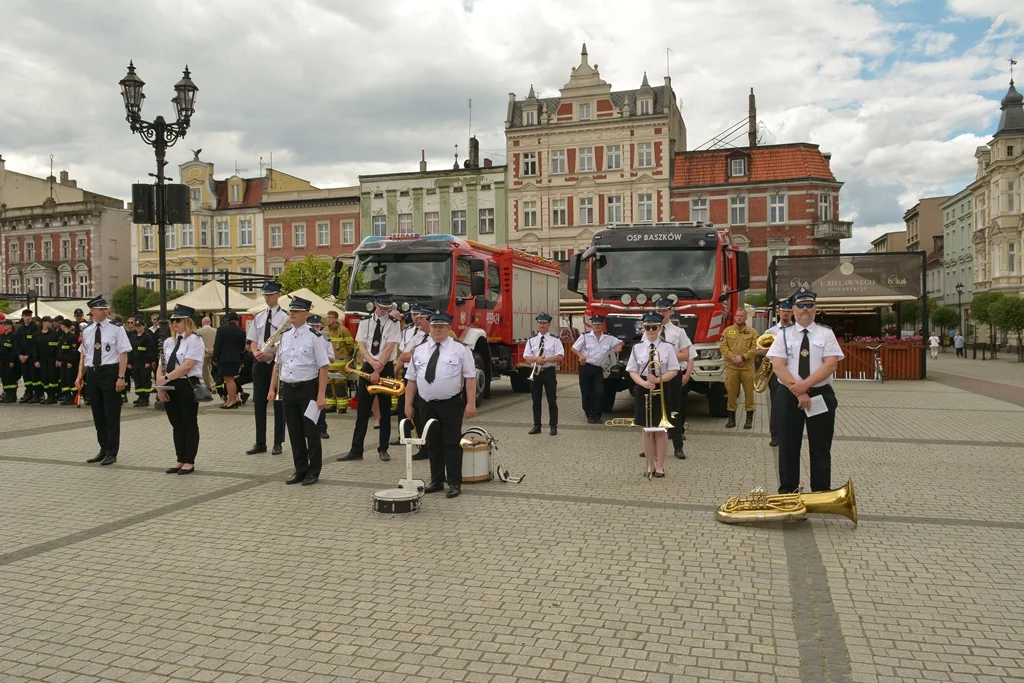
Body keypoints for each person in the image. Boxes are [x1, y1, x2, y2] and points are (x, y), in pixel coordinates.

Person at [767, 288, 844, 494]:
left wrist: (806, 386)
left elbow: (830, 365)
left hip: (820, 395)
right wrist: (799, 390)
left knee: (820, 447)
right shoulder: (782, 335)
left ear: (816, 309)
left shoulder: (826, 333)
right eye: (800, 305)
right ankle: (788, 493)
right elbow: (778, 366)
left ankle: (820, 494)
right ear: (793, 309)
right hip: (789, 396)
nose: (805, 309)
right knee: (788, 446)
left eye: (809, 305)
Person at [404, 312, 477, 499]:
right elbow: (411, 380)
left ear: (448, 329)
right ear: (429, 328)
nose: (437, 330)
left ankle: (454, 482)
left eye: (441, 327)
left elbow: (470, 378)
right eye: (434, 327)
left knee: (451, 444)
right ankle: (436, 481)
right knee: (432, 444)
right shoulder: (419, 350)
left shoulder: (460, 349)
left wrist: (470, 403)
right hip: (426, 404)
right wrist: (408, 405)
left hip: (450, 404)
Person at [268, 297, 329, 486]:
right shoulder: (285, 336)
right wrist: (273, 388)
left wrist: (321, 395)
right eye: (291, 311)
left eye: (296, 311)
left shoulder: (315, 337)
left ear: (306, 314)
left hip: (308, 389)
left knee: (310, 431)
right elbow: (278, 364)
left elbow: (324, 367)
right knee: (294, 431)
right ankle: (300, 469)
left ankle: (314, 470)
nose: (292, 314)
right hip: (289, 388)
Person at [338, 294, 402, 462]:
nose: (385, 311)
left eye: (388, 308)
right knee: (362, 411)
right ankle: (356, 450)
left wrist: (378, 367)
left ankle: (383, 449)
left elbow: (389, 349)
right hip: (369, 366)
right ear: (375, 304)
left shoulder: (394, 324)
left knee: (385, 409)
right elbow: (362, 346)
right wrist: (373, 366)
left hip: (385, 366)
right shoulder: (365, 321)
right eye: (382, 307)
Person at [76, 296, 132, 466]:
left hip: (110, 372)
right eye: (101, 309)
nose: (105, 311)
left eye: (106, 309)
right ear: (92, 311)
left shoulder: (116, 328)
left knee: (111, 413)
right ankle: (103, 448)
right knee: (98, 413)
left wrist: (121, 377)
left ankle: (112, 451)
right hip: (93, 373)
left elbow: (123, 353)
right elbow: (84, 355)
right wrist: (80, 376)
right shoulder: (87, 330)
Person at [626, 313, 680, 478]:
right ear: (643, 328)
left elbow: (674, 370)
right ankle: (649, 465)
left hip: (662, 387)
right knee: (646, 429)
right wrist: (643, 384)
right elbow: (632, 370)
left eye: (654, 327)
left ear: (660, 328)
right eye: (647, 327)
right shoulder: (637, 348)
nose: (650, 330)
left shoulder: (668, 347)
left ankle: (660, 467)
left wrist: (658, 379)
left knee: (661, 430)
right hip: (644, 388)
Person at [156, 305, 206, 474]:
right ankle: (180, 458)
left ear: (187, 321)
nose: (174, 323)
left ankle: (189, 460)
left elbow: (188, 365)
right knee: (176, 424)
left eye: (178, 320)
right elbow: (161, 365)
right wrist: (160, 387)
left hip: (186, 383)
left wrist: (167, 378)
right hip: (170, 384)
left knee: (189, 422)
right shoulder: (169, 341)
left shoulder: (195, 340)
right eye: (173, 320)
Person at [245, 281, 288, 455]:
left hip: (277, 363)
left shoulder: (285, 317)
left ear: (278, 295)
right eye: (265, 295)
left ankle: (278, 442)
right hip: (260, 362)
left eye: (270, 295)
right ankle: (260, 441)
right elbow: (253, 339)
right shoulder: (260, 316)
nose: (267, 298)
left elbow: (287, 342)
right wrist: (256, 352)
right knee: (259, 404)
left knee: (278, 403)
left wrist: (271, 355)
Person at [656, 300, 692, 457]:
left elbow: (686, 354)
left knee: (674, 411)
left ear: (670, 312)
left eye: (665, 311)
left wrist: (667, 354)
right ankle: (651, 446)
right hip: (655, 375)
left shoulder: (679, 332)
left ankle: (678, 446)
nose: (662, 313)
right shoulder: (650, 330)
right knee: (655, 411)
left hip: (673, 375)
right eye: (659, 311)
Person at [572, 315, 623, 424]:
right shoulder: (585, 337)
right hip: (585, 367)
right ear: (592, 325)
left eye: (599, 324)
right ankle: (589, 415)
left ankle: (597, 414)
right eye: (595, 324)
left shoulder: (608, 338)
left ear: (602, 325)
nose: (597, 326)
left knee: (599, 392)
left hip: (598, 369)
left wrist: (619, 346)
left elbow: (620, 342)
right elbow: (574, 348)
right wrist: (580, 356)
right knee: (586, 392)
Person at [757, 301, 794, 447]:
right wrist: (774, 350)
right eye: (783, 311)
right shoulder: (771, 331)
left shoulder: (797, 330)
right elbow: (759, 350)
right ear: (779, 312)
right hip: (775, 372)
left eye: (788, 311)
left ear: (792, 312)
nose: (786, 313)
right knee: (777, 404)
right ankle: (775, 435)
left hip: (792, 372)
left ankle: (789, 434)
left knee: (792, 405)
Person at [524, 313, 564, 435]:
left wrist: (545, 360)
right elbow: (526, 357)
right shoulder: (531, 340)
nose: (542, 325)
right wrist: (537, 359)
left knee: (552, 400)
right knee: (536, 401)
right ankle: (537, 425)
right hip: (535, 373)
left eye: (544, 323)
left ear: (549, 324)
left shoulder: (555, 340)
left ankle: (553, 426)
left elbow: (560, 356)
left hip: (549, 372)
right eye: (540, 323)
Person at [719, 308, 758, 429]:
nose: (739, 317)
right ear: (734, 317)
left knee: (749, 393)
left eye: (742, 316)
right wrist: (734, 358)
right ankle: (731, 419)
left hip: (747, 368)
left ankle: (749, 419)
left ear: (746, 318)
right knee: (731, 393)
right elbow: (723, 347)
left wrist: (743, 357)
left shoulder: (752, 332)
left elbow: (755, 347)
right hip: (732, 367)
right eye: (737, 316)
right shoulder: (727, 331)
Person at [214, 311, 248, 409]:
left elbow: (218, 345)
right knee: (230, 379)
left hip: (224, 358)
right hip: (236, 358)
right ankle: (230, 399)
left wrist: (215, 357)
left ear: (227, 319)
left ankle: (233, 400)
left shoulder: (221, 329)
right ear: (237, 320)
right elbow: (242, 348)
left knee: (228, 380)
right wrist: (241, 360)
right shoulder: (242, 331)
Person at [307, 314, 334, 438]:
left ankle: (322, 428)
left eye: (317, 326)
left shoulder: (325, 340)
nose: (315, 328)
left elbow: (332, 358)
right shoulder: (304, 339)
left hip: (320, 374)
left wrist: (321, 355)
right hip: (307, 374)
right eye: (312, 326)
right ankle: (308, 428)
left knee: (320, 401)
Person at [324, 310, 354, 414]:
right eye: (327, 317)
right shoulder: (325, 331)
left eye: (330, 317)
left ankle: (342, 406)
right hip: (328, 365)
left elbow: (350, 347)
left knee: (340, 386)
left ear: (336, 319)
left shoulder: (343, 331)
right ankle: (331, 405)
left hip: (341, 365)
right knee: (328, 386)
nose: (328, 319)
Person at [128, 315, 157, 407]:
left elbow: (150, 349)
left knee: (145, 380)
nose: (138, 328)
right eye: (136, 327)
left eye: (140, 326)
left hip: (144, 362)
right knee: (138, 380)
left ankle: (145, 398)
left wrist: (149, 361)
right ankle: (140, 397)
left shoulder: (147, 336)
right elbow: (130, 349)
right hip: (136, 362)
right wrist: (129, 362)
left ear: (143, 326)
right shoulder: (133, 336)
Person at [14, 309, 40, 403]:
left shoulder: (35, 328)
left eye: (29, 316)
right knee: (26, 376)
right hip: (22, 357)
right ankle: (29, 392)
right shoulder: (20, 329)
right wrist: (19, 354)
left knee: (34, 376)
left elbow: (34, 344)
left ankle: (37, 394)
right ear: (23, 317)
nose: (28, 318)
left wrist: (27, 355)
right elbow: (16, 343)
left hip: (32, 356)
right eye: (26, 316)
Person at [35, 316, 61, 404]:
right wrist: (36, 360)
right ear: (44, 322)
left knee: (52, 377)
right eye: (49, 322)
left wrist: (58, 359)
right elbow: (34, 349)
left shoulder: (54, 334)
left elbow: (58, 348)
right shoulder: (37, 334)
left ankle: (52, 396)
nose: (51, 323)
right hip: (42, 360)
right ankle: (48, 394)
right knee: (44, 378)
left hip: (52, 360)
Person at [57, 319, 80, 405]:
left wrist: (70, 361)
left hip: (70, 363)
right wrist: (58, 360)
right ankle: (67, 396)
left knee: (71, 380)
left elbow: (73, 351)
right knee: (64, 380)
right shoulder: (62, 337)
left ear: (64, 326)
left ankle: (74, 396)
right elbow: (60, 350)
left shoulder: (73, 337)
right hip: (63, 363)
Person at [196, 316, 218, 392]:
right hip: (215, 353)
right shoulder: (216, 331)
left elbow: (198, 343)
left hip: (204, 353)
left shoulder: (198, 331)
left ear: (202, 323)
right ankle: (214, 384)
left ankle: (209, 386)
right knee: (213, 369)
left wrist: (206, 350)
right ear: (210, 322)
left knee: (205, 371)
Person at [0, 319, 18, 403]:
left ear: (10, 325)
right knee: (4, 378)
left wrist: (12, 360)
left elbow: (14, 349)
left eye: (5, 325)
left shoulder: (13, 336)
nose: (3, 326)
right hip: (2, 360)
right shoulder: (2, 336)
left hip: (9, 360)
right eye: (3, 324)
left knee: (11, 378)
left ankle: (12, 396)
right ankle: (6, 394)